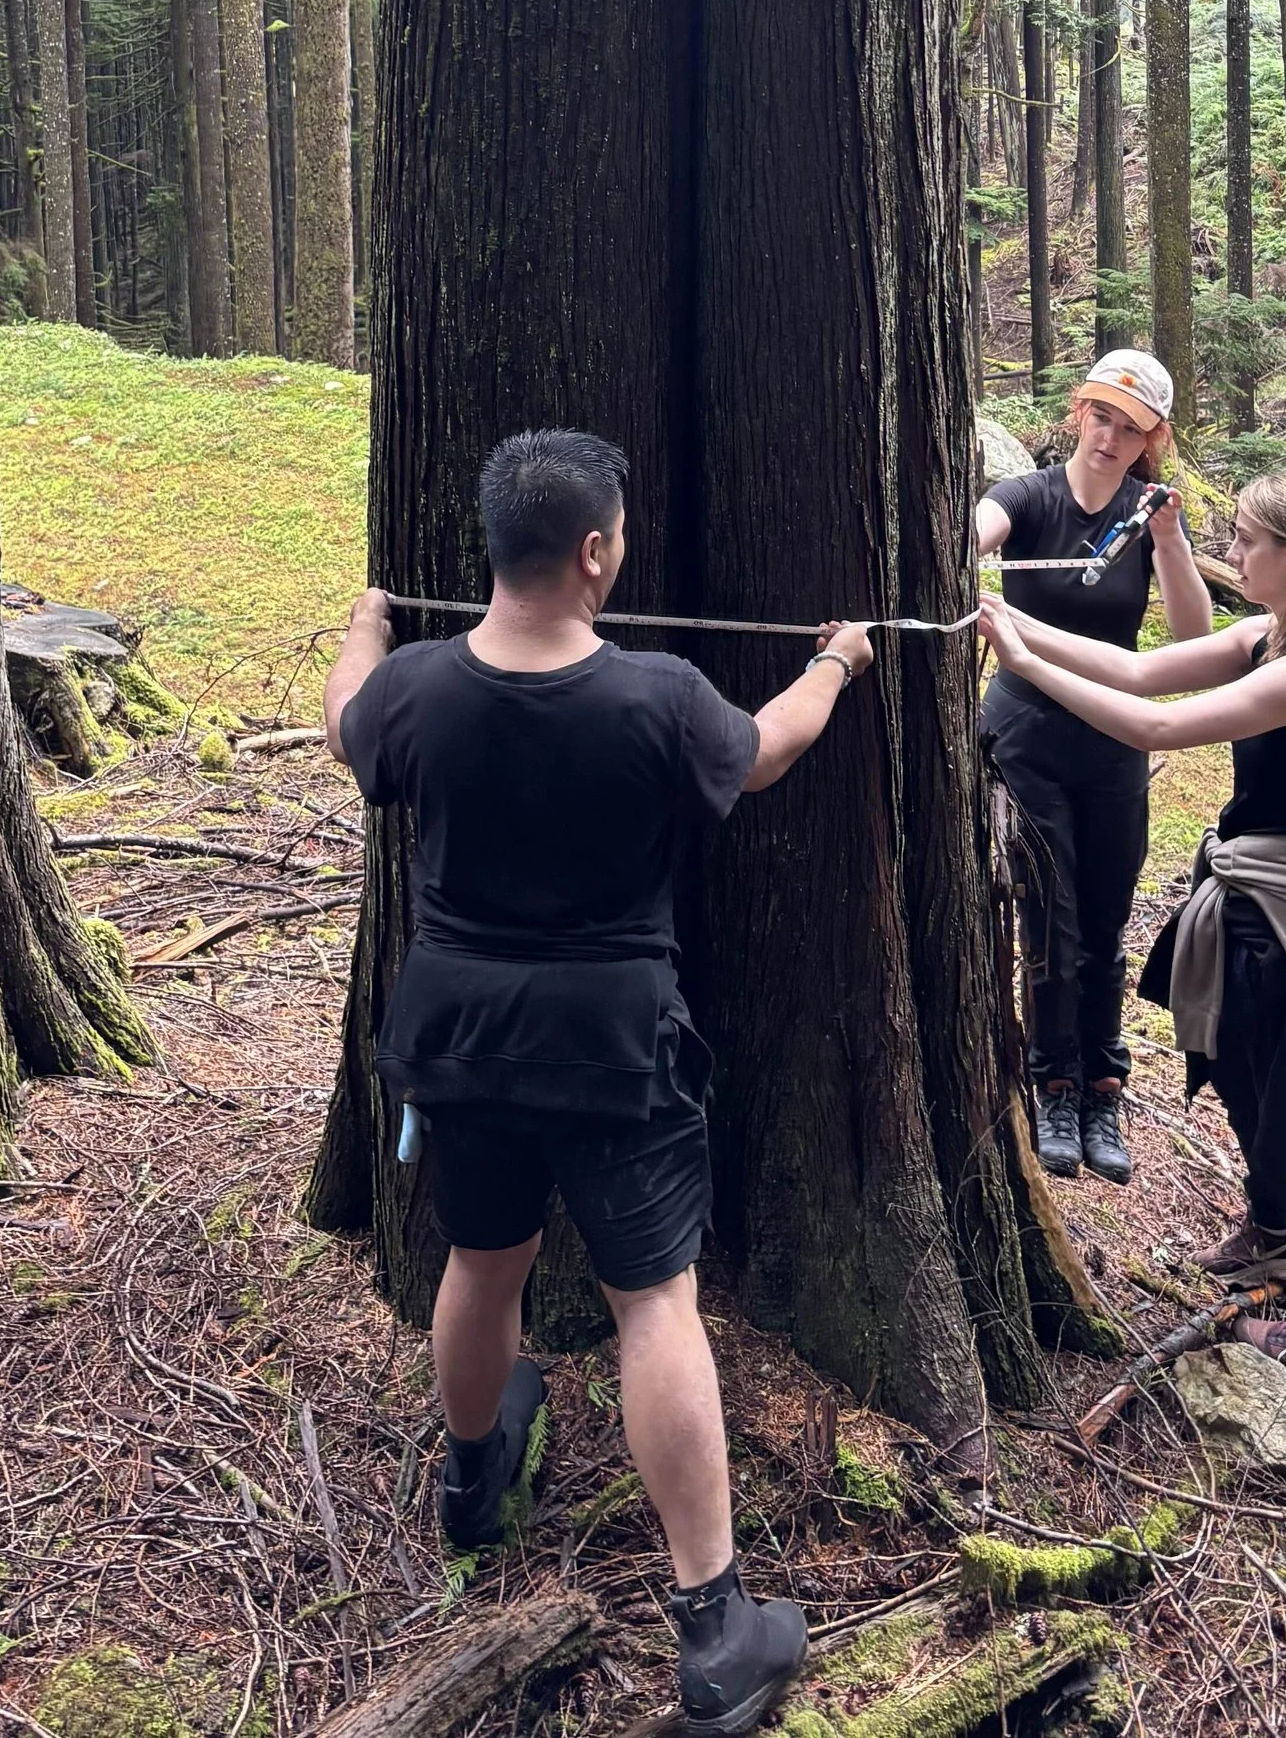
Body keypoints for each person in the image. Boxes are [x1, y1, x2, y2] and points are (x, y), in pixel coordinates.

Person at [324, 427, 870, 1738]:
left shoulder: (418, 691)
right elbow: (772, 744)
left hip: (461, 1037)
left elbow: (347, 721)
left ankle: (472, 1479)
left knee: (484, 1258)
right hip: (613, 1045)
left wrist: (360, 624)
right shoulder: (657, 697)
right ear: (592, 551)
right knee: (654, 1299)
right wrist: (838, 663)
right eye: (616, 533)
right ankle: (716, 1624)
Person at [976, 465, 1286, 1409]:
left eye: (1249, 539)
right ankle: (1270, 1238)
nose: (1236, 550)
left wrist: (1018, 661)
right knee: (1240, 1073)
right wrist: (1006, 619)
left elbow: (1148, 721)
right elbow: (1139, 667)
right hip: (1255, 904)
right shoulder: (1270, 636)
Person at [975, 347, 1213, 1184]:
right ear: (1080, 412)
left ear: (1152, 438)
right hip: (1028, 730)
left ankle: (1105, 1081)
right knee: (1052, 913)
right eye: (1101, 415)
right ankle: (1055, 1083)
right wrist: (968, 545)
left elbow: (1192, 636)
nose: (1110, 436)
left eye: (1131, 425)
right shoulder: (1033, 494)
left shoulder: (1149, 514)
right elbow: (984, 522)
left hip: (1113, 736)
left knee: (1107, 913)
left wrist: (1171, 540)